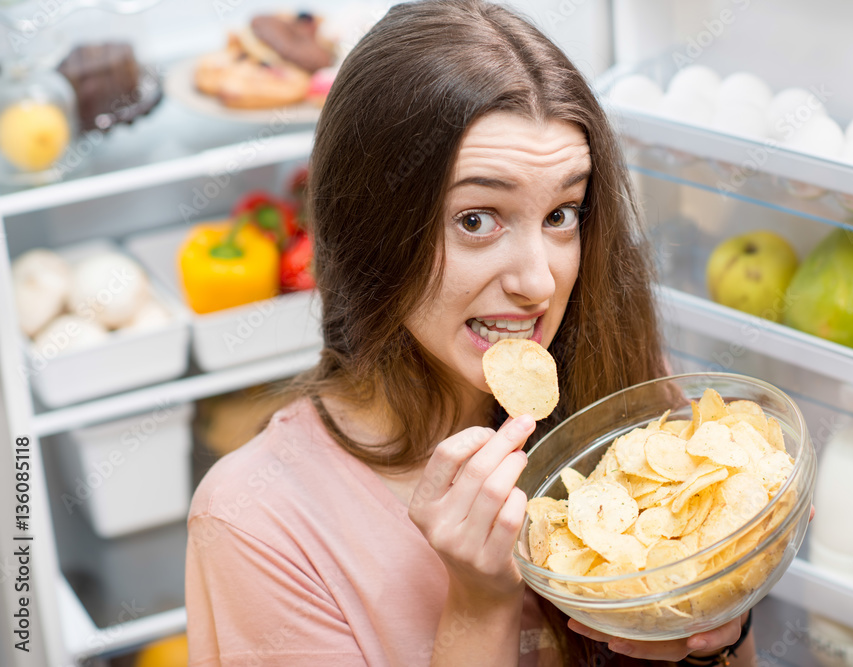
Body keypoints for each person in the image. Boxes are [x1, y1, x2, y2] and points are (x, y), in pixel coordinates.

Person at [184, 1, 757, 664]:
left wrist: (718, 627)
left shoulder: (625, 400)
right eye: (478, 220)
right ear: (366, 227)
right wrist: (479, 603)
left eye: (562, 213)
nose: (539, 281)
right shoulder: (258, 522)